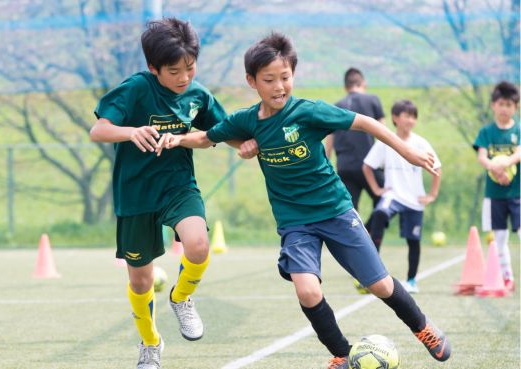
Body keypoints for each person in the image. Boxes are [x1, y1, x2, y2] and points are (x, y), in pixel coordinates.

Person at [158, 32, 450, 369]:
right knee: (308, 292)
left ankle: (424, 328)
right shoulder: (247, 121)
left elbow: (368, 124)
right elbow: (208, 137)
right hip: (296, 223)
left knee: (379, 285)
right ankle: (342, 354)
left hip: (336, 211)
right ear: (252, 81)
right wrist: (177, 140)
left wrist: (408, 150)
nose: (279, 86)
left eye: (286, 77)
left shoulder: (308, 112)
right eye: (269, 79)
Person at [89, 17, 255, 369]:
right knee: (141, 279)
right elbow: (98, 130)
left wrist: (252, 144)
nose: (184, 78)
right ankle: (150, 343)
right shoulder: (135, 88)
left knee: (198, 245)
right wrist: (130, 132)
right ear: (153, 68)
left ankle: (181, 299)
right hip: (135, 194)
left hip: (178, 186)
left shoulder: (198, 95)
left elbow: (223, 131)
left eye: (190, 68)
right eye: (174, 71)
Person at [363, 100, 442, 294]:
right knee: (380, 213)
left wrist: (432, 194)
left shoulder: (421, 143)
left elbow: (437, 168)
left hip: (415, 200)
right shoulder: (386, 141)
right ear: (395, 118)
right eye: (407, 115)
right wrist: (376, 190)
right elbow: (367, 166)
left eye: (414, 116)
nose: (411, 120)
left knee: (413, 241)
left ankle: (412, 280)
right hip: (393, 195)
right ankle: (371, 273)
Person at [473, 81, 520, 292]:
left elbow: (519, 153)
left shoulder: (518, 129)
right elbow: (482, 156)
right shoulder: (486, 131)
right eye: (501, 104)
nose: (504, 109)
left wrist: (506, 164)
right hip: (495, 195)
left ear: (516, 107)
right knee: (499, 238)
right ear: (493, 105)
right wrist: (495, 168)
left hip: (517, 193)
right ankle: (507, 277)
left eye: (509, 105)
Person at [325, 68, 386, 227]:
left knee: (349, 211)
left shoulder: (337, 106)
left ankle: (359, 236)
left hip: (344, 167)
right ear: (363, 84)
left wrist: (326, 164)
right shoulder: (372, 99)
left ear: (345, 87)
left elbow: (329, 140)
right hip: (369, 165)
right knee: (388, 199)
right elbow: (383, 133)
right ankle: (370, 231)